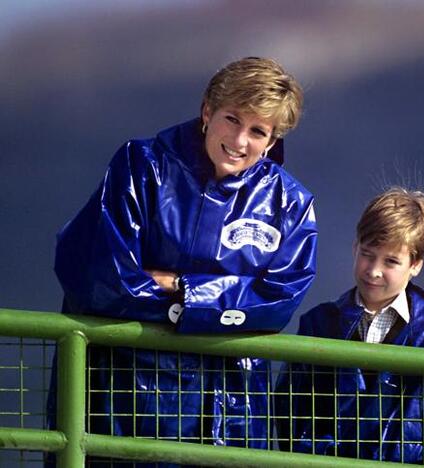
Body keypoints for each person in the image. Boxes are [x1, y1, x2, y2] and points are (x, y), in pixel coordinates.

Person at [50, 57, 317, 465]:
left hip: (233, 416)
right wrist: (220, 306)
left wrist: (183, 291)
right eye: (232, 119)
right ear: (207, 111)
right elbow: (96, 276)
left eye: (258, 131)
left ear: (272, 139)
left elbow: (279, 300)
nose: (240, 140)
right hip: (127, 407)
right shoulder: (141, 166)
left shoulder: (290, 203)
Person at [275, 187, 424, 464]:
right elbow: (292, 411)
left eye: (391, 261)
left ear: (415, 265)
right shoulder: (319, 324)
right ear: (355, 247)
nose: (374, 270)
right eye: (368, 254)